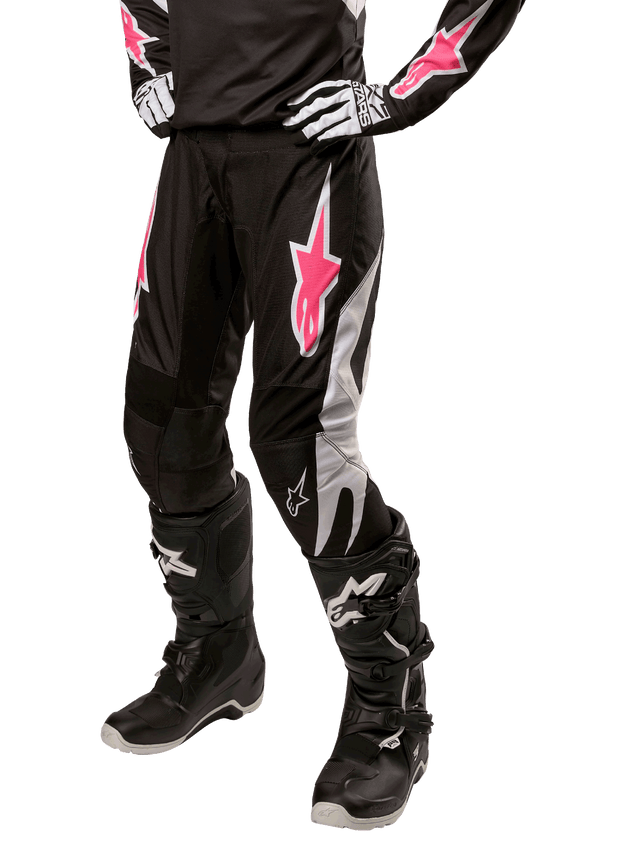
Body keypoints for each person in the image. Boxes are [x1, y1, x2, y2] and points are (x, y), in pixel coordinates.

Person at [101, 0, 527, 832]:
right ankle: (218, 654)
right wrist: (150, 60)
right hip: (192, 157)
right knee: (161, 424)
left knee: (301, 446)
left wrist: (401, 93)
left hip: (311, 162)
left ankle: (389, 711)